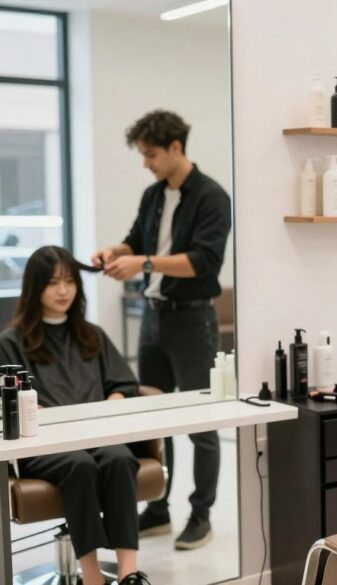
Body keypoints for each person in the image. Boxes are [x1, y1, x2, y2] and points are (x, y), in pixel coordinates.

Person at [91, 109, 231, 550]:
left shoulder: (212, 196)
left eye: (151, 154)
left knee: (201, 422)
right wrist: (115, 251)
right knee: (152, 416)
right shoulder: (153, 195)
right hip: (154, 317)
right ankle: (157, 509)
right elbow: (136, 240)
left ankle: (201, 514)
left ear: (175, 147)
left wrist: (144, 263)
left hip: (192, 320)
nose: (145, 163)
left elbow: (204, 262)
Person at [0, 246, 149, 585]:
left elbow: (124, 383)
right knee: (79, 465)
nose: (63, 290)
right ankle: (92, 575)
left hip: (94, 436)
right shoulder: (11, 342)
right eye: (53, 283)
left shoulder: (91, 335)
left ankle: (128, 573)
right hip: (44, 446)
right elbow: (6, 401)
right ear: (35, 287)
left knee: (120, 458)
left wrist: (112, 401)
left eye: (70, 281)